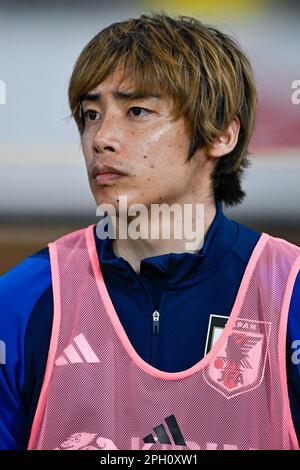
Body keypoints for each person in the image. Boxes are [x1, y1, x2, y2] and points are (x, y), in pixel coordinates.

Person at [0, 12, 299, 451]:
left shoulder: (289, 292)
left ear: (221, 135)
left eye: (137, 111)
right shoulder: (22, 301)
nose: (101, 137)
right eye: (91, 114)